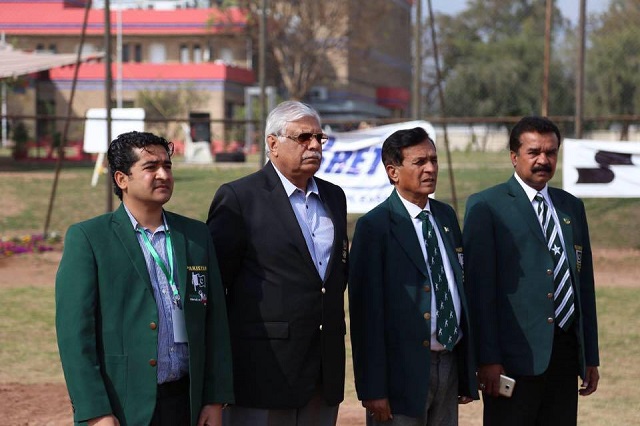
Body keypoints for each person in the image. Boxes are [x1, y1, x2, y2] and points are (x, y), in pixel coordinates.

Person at [56, 131, 234, 426]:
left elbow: (215, 322)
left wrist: (215, 398)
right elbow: (75, 335)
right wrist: (95, 411)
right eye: (150, 167)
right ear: (121, 179)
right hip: (123, 407)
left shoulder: (195, 236)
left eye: (167, 166)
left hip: (185, 403)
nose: (163, 174)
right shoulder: (89, 238)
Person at [206, 101, 349, 426]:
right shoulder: (240, 198)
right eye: (303, 137)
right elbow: (214, 290)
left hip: (322, 373)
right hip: (262, 374)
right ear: (272, 143)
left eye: (319, 138)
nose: (314, 145)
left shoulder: (334, 197)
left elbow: (333, 279)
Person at [463, 116, 600, 425]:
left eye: (551, 152)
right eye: (534, 152)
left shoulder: (571, 207)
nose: (543, 160)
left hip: (563, 357)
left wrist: (589, 356)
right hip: (512, 361)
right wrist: (487, 359)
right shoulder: (487, 206)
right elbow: (479, 291)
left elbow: (583, 287)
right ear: (514, 156)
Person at [349, 127, 478, 426]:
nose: (431, 168)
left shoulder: (445, 217)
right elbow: (365, 315)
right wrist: (372, 388)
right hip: (400, 375)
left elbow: (458, 288)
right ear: (393, 172)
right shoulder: (375, 227)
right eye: (419, 162)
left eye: (433, 160)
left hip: (448, 363)